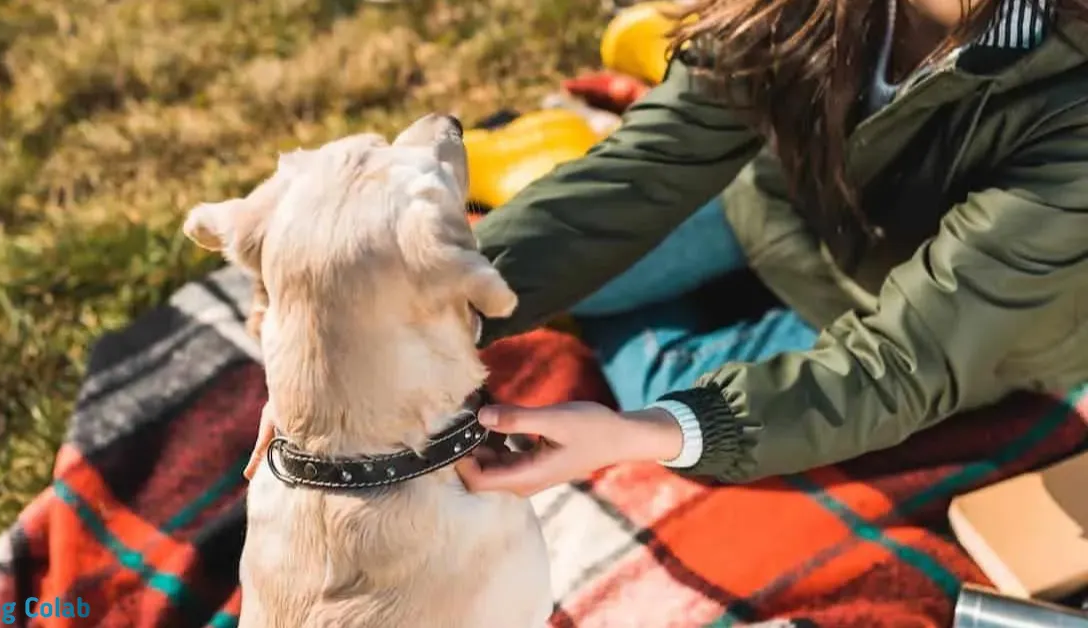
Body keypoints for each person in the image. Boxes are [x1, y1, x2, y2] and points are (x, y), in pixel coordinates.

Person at [455, 0, 1088, 496]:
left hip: (924, 317)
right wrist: (437, 307)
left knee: (673, 405)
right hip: (782, 203)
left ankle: (637, 315)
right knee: (511, 270)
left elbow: (904, 361)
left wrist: (648, 431)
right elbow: (650, 165)